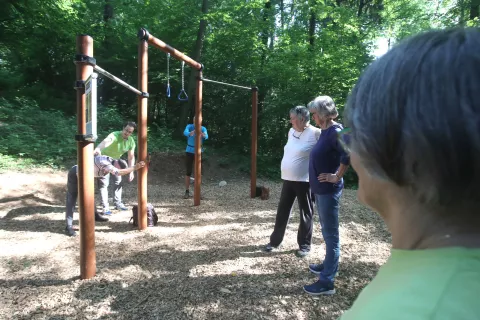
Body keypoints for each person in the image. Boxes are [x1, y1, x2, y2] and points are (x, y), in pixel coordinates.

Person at [338, 28, 480, 319]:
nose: (350, 154)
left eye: (352, 136)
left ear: (392, 144)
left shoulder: (414, 310)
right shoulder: (447, 277)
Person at [303, 95, 350, 296]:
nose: (312, 117)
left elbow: (349, 154)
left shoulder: (336, 131)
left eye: (314, 114)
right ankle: (327, 265)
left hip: (329, 191)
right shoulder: (325, 131)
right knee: (327, 233)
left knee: (331, 236)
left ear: (323, 113)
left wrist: (336, 175)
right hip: (321, 191)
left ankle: (327, 282)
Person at [264, 106, 321, 257]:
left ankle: (304, 246)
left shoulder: (316, 133)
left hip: (305, 181)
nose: (290, 121)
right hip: (288, 179)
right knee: (282, 211)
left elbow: (327, 150)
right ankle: (275, 241)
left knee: (305, 213)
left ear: (302, 119)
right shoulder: (291, 132)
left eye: (293, 118)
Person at [65, 156, 145, 236]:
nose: (115, 173)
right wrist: (135, 167)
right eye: (119, 168)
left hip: (86, 176)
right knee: (72, 198)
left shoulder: (110, 161)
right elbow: (118, 172)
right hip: (75, 174)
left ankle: (95, 215)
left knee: (89, 196)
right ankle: (68, 226)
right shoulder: (107, 163)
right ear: (117, 164)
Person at [94, 122, 137, 214]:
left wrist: (131, 171)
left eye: (130, 132)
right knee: (104, 184)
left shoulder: (131, 141)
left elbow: (131, 157)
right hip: (104, 161)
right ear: (123, 128)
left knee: (118, 182)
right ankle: (105, 207)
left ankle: (118, 203)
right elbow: (106, 141)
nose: (127, 133)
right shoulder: (114, 135)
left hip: (116, 162)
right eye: (126, 130)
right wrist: (98, 148)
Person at [183, 117, 208, 199]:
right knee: (188, 171)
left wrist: (202, 134)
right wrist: (192, 132)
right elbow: (185, 132)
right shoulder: (189, 126)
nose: (197, 123)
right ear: (193, 121)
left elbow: (206, 136)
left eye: (198, 122)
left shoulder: (203, 128)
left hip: (198, 151)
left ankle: (198, 192)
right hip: (189, 151)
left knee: (198, 172)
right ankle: (187, 191)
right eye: (195, 121)